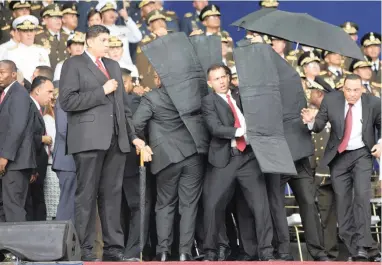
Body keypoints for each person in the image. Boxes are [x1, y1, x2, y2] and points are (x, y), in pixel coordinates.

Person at [58, 25, 147, 262]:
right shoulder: (73, 64)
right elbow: (67, 101)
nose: (108, 45)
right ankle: (86, 248)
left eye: (109, 40)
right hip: (88, 140)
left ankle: (113, 248)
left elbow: (123, 108)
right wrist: (101, 90)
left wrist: (133, 136)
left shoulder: (114, 66)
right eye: (104, 40)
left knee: (112, 195)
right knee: (86, 195)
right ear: (90, 41)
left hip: (115, 140)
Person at [301, 74, 381, 261]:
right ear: (342, 89)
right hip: (339, 157)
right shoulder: (331, 100)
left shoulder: (374, 103)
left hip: (362, 153)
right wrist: (310, 121)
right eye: (348, 90)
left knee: (361, 196)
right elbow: (318, 125)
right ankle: (363, 251)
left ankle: (362, 246)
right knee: (343, 205)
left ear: (362, 89)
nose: (352, 94)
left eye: (356, 90)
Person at [201, 64, 275, 261]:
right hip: (225, 158)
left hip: (249, 157)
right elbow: (214, 128)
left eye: (224, 76)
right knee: (213, 204)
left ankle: (266, 251)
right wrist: (238, 131)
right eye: (216, 79)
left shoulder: (241, 95)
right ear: (210, 83)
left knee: (260, 206)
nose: (222, 81)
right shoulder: (209, 102)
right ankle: (209, 251)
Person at [133, 69, 205, 261]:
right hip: (192, 155)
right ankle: (184, 252)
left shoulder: (152, 97)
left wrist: (145, 143)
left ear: (159, 80)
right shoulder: (189, 95)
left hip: (165, 157)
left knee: (165, 205)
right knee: (189, 205)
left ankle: (163, 252)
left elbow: (137, 124)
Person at [0, 60, 35, 222]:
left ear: (13, 74)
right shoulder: (7, 93)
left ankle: (19, 247)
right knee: (6, 206)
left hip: (15, 161)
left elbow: (17, 127)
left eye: (2, 72)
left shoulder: (19, 93)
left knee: (13, 207)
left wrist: (4, 156)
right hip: (11, 161)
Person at [27, 76, 55, 221]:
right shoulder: (28, 107)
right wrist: (32, 169)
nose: (52, 96)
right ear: (38, 90)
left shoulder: (36, 108)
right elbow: (25, 137)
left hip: (37, 168)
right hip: (32, 167)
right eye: (49, 92)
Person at [3, 15, 50, 83]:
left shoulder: (42, 51)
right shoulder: (10, 52)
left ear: (35, 32)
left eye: (31, 31)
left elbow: (47, 73)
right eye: (25, 31)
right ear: (18, 33)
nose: (29, 34)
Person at [95, 0, 142, 68]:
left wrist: (126, 18)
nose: (111, 14)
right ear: (101, 15)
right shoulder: (98, 32)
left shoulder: (122, 29)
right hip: (108, 68)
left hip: (127, 68)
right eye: (107, 12)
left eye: (113, 11)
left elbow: (137, 37)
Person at [52, 93, 76, 222]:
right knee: (67, 204)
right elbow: (63, 130)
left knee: (72, 203)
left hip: (72, 160)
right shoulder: (64, 100)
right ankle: (62, 239)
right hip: (67, 160)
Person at [34, 4, 69, 70]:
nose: (58, 21)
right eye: (55, 18)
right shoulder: (38, 38)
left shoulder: (67, 37)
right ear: (45, 20)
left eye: (59, 18)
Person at [42, 97, 59, 220]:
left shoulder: (53, 119)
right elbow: (53, 144)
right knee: (52, 207)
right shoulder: (48, 119)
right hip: (51, 165)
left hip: (53, 165)